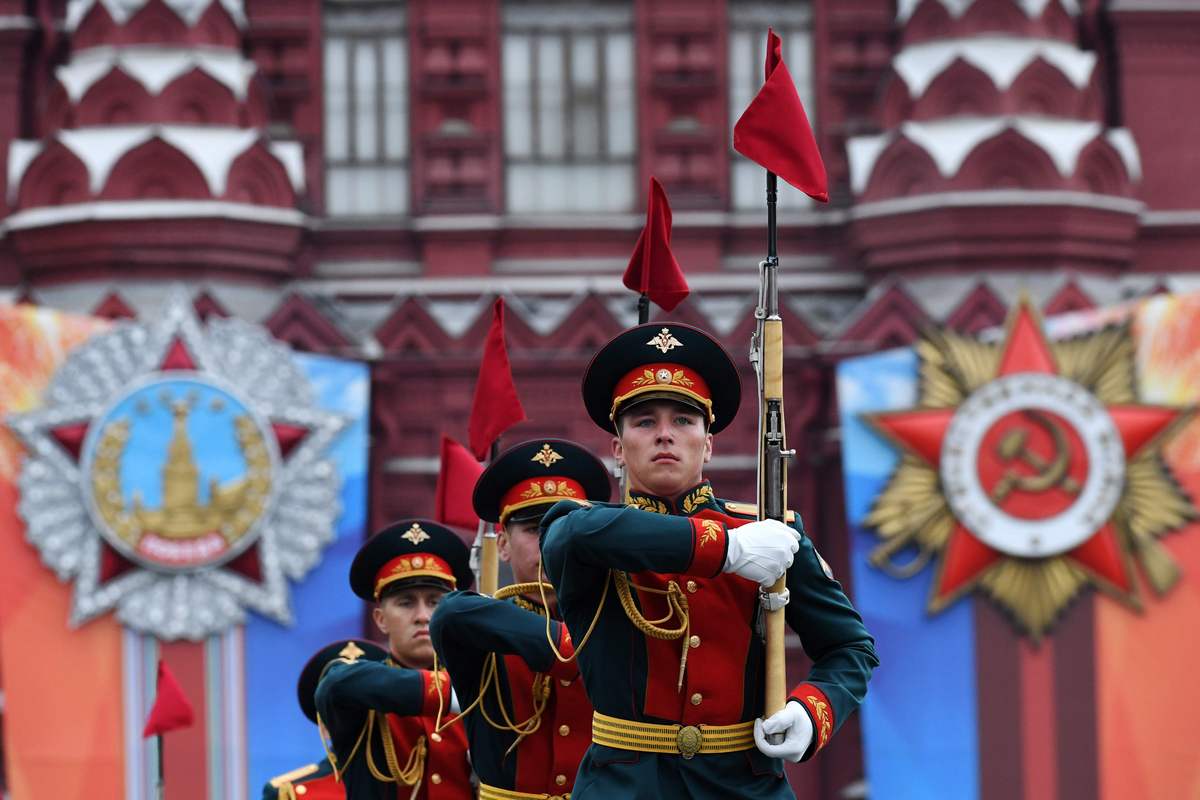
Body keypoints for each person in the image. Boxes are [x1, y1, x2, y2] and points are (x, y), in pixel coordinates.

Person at [540, 322, 879, 799]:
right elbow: (577, 531)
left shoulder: (770, 532)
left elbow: (850, 648)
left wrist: (812, 709)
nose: (664, 435)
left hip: (745, 785)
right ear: (618, 449)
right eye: (644, 422)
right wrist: (729, 551)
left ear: (709, 442)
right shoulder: (588, 532)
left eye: (683, 420)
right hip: (627, 786)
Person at [431, 439, 610, 800]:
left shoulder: (617, 617)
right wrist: (567, 649)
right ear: (503, 546)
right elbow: (450, 614)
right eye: (534, 530)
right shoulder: (479, 630)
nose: (550, 543)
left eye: (565, 527)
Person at [315, 519, 474, 799]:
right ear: (380, 619)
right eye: (406, 602)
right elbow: (337, 685)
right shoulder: (362, 695)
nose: (423, 615)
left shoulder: (483, 688)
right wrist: (447, 694)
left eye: (435, 601)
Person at [261, 638, 388, 799]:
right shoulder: (289, 793)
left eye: (367, 707)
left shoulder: (414, 781)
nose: (357, 719)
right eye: (343, 709)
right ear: (324, 726)